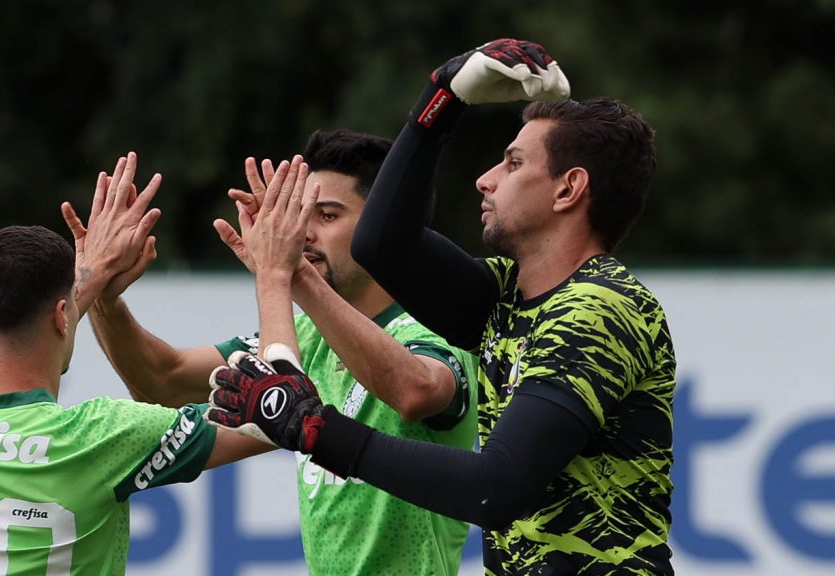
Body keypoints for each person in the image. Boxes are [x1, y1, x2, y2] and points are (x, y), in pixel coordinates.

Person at [207, 39, 677, 575]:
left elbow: (495, 489)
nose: (486, 178)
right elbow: (381, 245)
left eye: (514, 162)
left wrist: (317, 430)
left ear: (568, 190)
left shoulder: (600, 307)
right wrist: (442, 97)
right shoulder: (508, 294)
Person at [61, 130, 479, 575]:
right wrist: (104, 295)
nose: (303, 232)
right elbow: (161, 381)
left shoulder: (434, 326)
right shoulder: (306, 336)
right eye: (300, 215)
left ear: (385, 228)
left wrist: (288, 274)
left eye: (328, 215)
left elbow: (417, 391)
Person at [0, 154, 266, 575]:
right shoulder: (99, 437)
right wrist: (276, 273)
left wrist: (93, 274)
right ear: (60, 315)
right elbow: (274, 413)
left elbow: (52, 321)